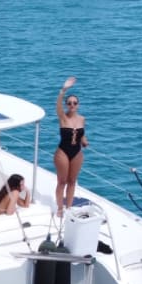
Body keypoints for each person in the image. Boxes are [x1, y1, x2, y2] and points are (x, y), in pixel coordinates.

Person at [53, 76, 88, 216]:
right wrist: (63, 90)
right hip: (63, 152)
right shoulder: (63, 117)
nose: (72, 105)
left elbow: (81, 134)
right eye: (69, 103)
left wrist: (84, 140)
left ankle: (68, 207)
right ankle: (60, 208)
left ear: (78, 105)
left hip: (77, 153)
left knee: (72, 181)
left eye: (74, 103)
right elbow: (58, 106)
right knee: (62, 181)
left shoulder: (82, 119)